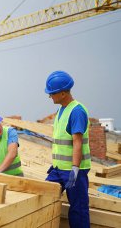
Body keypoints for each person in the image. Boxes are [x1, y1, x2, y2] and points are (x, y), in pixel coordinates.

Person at [44, 71, 91, 228]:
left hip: (73, 171)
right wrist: (56, 164)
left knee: (78, 209)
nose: (50, 97)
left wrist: (75, 169)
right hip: (58, 169)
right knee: (44, 195)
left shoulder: (77, 111)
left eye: (52, 93)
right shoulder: (61, 110)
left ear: (63, 93)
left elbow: (77, 142)